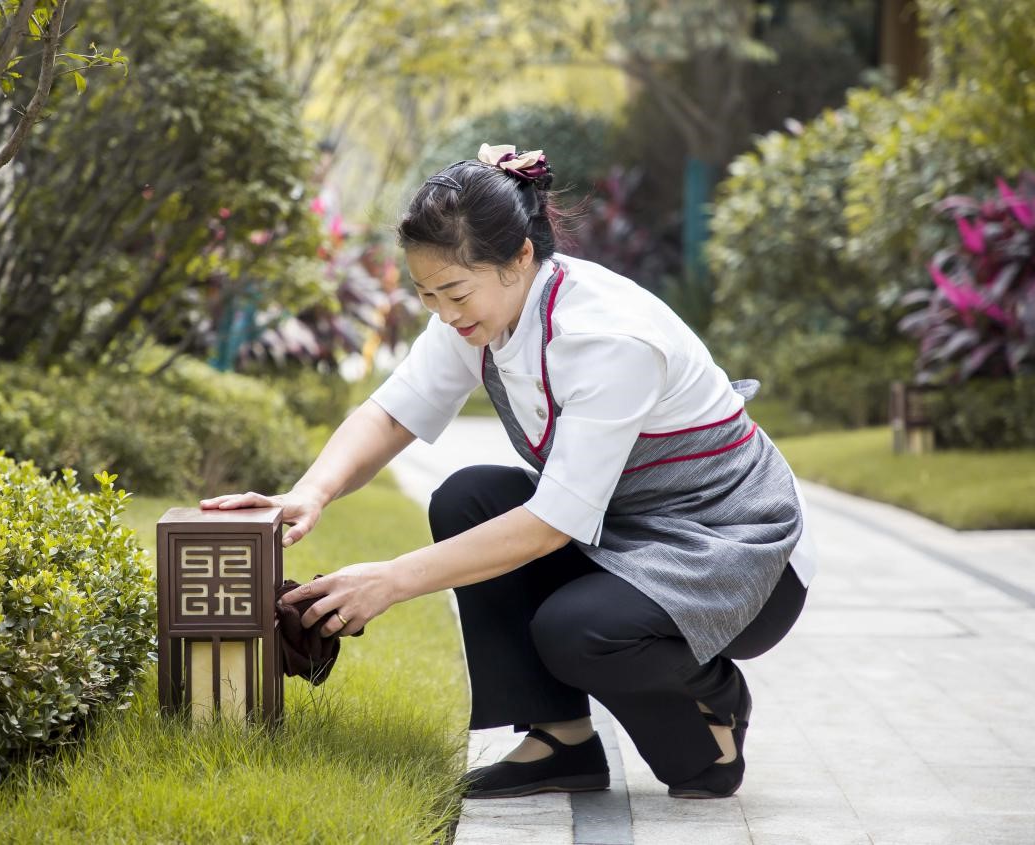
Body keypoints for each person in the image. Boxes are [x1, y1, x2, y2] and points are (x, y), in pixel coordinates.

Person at [200, 143, 818, 801]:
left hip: (737, 555)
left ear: (520, 256)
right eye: (427, 293)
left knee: (575, 629)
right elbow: (389, 413)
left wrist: (389, 579)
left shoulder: (608, 338)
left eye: (454, 291)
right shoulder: (482, 312)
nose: (443, 311)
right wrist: (310, 491)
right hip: (629, 529)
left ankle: (712, 713)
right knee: (470, 496)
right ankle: (560, 743)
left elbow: (553, 523)